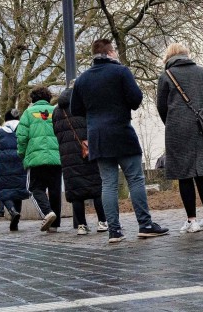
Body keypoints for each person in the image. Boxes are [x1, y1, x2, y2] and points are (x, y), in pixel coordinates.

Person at [71, 38, 168, 243]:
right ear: (110, 52)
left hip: (97, 136)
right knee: (135, 179)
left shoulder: (82, 79)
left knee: (108, 184)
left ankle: (114, 231)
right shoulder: (121, 72)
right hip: (121, 132)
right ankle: (145, 224)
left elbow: (75, 109)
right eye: (114, 50)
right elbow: (136, 100)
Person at [156, 43, 203, 234]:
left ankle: (191, 221)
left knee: (185, 175)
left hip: (178, 129)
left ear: (169, 57)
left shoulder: (166, 76)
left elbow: (161, 106)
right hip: (202, 126)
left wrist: (172, 121)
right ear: (186, 55)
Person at [54, 88, 108, 235]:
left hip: (67, 157)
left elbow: (56, 132)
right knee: (96, 188)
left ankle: (81, 226)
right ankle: (102, 222)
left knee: (76, 192)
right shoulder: (83, 105)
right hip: (86, 151)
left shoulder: (57, 111)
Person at [17, 86, 63, 232]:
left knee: (35, 188)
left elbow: (22, 137)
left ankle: (47, 212)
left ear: (33, 99)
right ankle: (55, 225)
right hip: (56, 157)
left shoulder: (28, 113)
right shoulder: (56, 111)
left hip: (35, 158)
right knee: (55, 190)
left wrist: (22, 154)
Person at [0, 109, 29, 231]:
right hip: (21, 164)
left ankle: (12, 211)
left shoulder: (0, 132)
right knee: (18, 191)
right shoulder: (24, 130)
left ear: (6, 120)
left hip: (4, 166)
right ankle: (15, 222)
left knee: (3, 191)